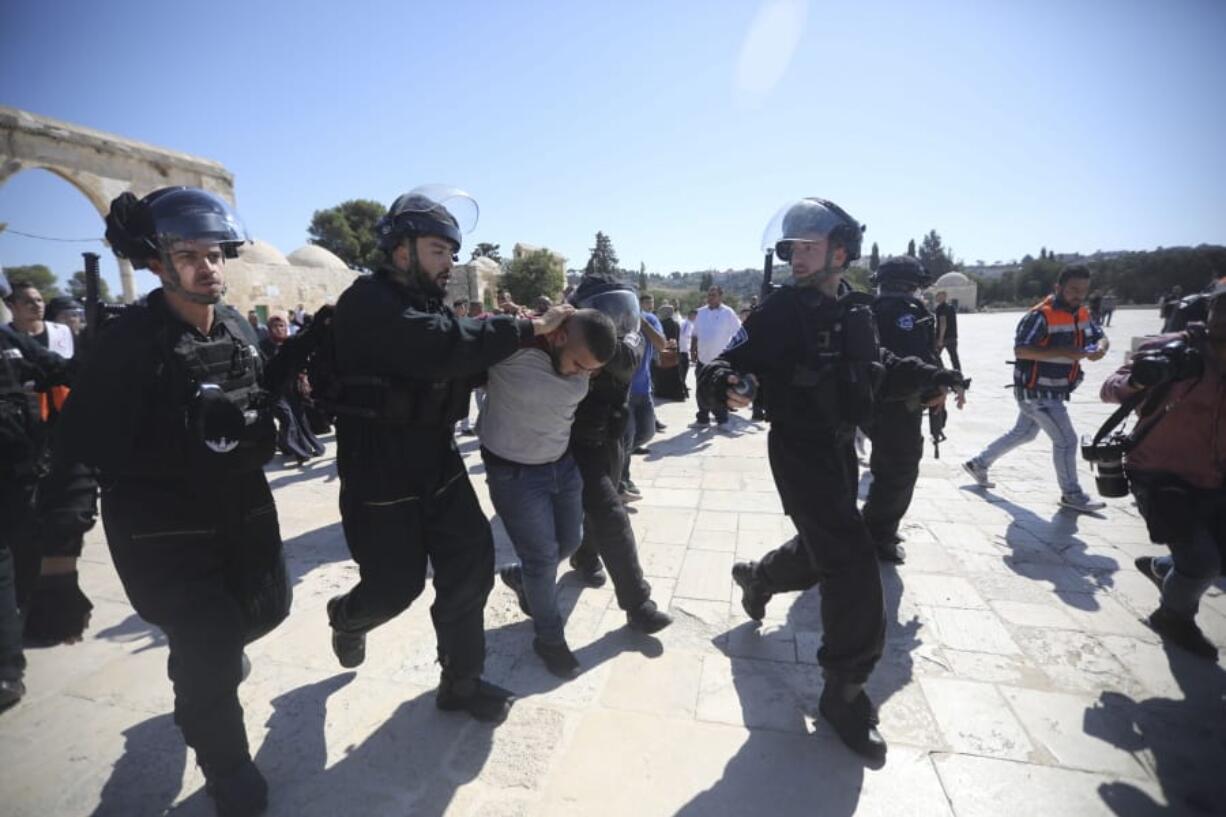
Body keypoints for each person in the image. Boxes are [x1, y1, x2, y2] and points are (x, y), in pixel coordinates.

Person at [52, 187, 291, 816]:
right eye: (188, 254)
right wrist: (57, 563)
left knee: (262, 615)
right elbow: (77, 448)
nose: (207, 266)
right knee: (210, 646)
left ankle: (198, 675)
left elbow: (255, 401)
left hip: (239, 510)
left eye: (213, 253)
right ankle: (228, 769)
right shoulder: (129, 342)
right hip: (164, 530)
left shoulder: (238, 326)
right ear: (157, 264)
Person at [702, 197, 960, 761]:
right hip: (798, 452)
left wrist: (933, 375)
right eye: (791, 247)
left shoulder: (857, 311)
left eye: (808, 246)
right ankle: (845, 691)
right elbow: (725, 363)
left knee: (824, 551)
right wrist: (730, 383)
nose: (796, 256)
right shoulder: (778, 311)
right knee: (852, 563)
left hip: (841, 448)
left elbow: (881, 368)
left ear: (840, 251)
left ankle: (760, 577)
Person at [323, 186, 573, 724]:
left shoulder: (428, 303)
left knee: (470, 568)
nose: (449, 263)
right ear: (400, 250)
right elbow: (442, 344)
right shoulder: (367, 302)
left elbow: (459, 357)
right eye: (438, 250)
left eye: (452, 253)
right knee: (395, 588)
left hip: (437, 459)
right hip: (379, 473)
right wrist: (528, 327)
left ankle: (460, 682)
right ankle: (347, 618)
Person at [482, 309, 617, 676]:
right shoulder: (513, 349)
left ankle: (521, 576)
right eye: (578, 364)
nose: (582, 374)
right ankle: (549, 639)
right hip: (515, 476)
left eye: (590, 370)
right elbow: (466, 337)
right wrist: (532, 323)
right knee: (542, 559)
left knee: (570, 542)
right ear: (559, 337)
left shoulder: (583, 364)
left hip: (562, 467)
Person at [1100, 282, 1226, 660]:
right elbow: (1112, 388)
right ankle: (1173, 617)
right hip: (1160, 471)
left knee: (1217, 556)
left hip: (1217, 473)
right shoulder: (1176, 350)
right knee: (1201, 562)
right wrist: (1139, 379)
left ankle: (1162, 568)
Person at [564, 272, 672, 634]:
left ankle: (585, 555)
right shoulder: (570, 339)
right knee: (609, 512)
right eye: (605, 313)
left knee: (601, 506)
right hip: (574, 442)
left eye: (620, 312)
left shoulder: (628, 342)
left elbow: (626, 354)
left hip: (610, 437)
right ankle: (638, 603)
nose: (615, 321)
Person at [963, 264, 1110, 512]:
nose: (1078, 295)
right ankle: (1072, 494)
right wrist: (1063, 351)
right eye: (1073, 289)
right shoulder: (1040, 315)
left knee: (1025, 433)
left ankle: (979, 463)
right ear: (1058, 288)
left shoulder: (1082, 313)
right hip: (1037, 391)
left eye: (1083, 290)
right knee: (1066, 440)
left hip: (1054, 390)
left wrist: (1102, 347)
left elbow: (1099, 336)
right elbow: (1021, 350)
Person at [863, 257, 966, 563]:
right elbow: (916, 357)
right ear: (914, 285)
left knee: (888, 466)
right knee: (899, 469)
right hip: (898, 404)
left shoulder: (875, 309)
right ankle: (878, 534)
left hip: (877, 401)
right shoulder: (905, 312)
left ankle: (875, 527)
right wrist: (935, 388)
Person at [0, 298, 76, 711]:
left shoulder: (10, 343)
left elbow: (59, 369)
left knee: (24, 553)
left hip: (17, 469)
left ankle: (16, 639)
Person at [261, 313, 325, 466]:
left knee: (299, 418)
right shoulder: (263, 346)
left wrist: (303, 378)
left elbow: (300, 363)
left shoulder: (290, 344)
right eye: (274, 327)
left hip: (291, 388)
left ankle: (295, 446)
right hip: (275, 390)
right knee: (287, 418)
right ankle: (299, 451)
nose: (278, 329)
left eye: (281, 326)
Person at [621, 292, 666, 497]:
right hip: (624, 391)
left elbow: (662, 344)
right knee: (627, 437)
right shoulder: (619, 320)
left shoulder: (650, 319)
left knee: (647, 432)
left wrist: (643, 324)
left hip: (644, 389)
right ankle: (623, 481)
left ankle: (618, 462)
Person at [690, 285, 741, 427]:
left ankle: (722, 420)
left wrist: (732, 353)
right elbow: (695, 334)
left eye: (713, 295)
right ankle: (702, 419)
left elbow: (738, 334)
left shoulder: (728, 313)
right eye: (709, 295)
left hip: (720, 362)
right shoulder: (700, 312)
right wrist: (692, 350)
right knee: (701, 389)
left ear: (720, 296)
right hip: (703, 360)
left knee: (719, 389)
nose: (710, 298)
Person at [6, 282, 74, 359]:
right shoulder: (4, 335)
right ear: (11, 306)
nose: (38, 305)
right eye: (29, 302)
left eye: (39, 300)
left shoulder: (62, 331)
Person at [933, 290, 961, 372]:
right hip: (953, 337)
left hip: (944, 338)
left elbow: (943, 323)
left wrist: (940, 339)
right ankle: (958, 375)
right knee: (954, 358)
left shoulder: (941, 308)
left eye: (939, 296)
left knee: (935, 356)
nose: (937, 297)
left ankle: (941, 372)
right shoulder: (951, 307)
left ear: (944, 297)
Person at [678, 307, 696, 398]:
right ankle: (682, 390)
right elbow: (684, 337)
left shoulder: (690, 324)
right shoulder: (686, 324)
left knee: (684, 372)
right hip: (683, 351)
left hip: (685, 351)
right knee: (683, 372)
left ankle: (683, 389)